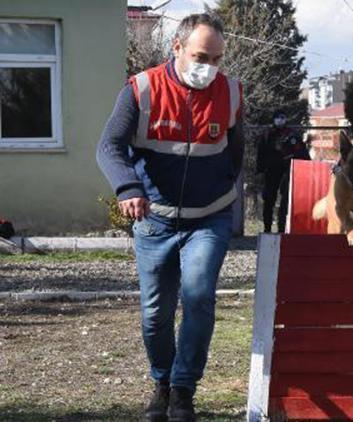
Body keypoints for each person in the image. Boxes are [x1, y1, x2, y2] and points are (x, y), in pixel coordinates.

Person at [96, 14, 244, 422]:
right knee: (155, 314)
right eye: (201, 56)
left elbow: (237, 152)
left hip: (209, 218)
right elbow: (108, 147)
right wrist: (128, 188)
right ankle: (161, 381)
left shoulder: (230, 92)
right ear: (176, 48)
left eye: (216, 58)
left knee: (197, 297)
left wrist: (227, 194)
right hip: (155, 220)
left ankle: (183, 392)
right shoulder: (141, 90)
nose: (209, 67)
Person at [256, 111, 310, 233]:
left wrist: (305, 166)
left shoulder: (292, 135)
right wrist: (260, 170)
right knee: (269, 199)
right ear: (273, 119)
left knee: (286, 200)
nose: (280, 120)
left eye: (282, 118)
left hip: (287, 170)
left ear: (285, 119)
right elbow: (261, 154)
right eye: (277, 118)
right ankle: (267, 228)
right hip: (271, 170)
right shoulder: (267, 135)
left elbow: (302, 153)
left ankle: (282, 228)